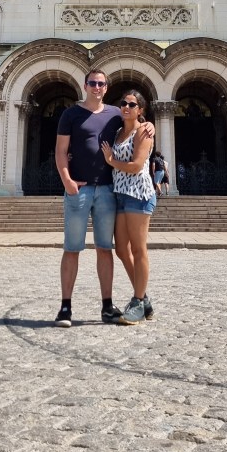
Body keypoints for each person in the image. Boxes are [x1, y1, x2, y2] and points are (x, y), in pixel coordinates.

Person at [53, 69, 124, 328]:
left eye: (101, 84)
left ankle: (107, 306)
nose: (97, 87)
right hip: (79, 191)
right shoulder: (71, 114)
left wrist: (148, 124)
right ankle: (65, 307)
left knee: (105, 249)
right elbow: (61, 151)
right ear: (85, 85)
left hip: (106, 189)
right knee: (72, 248)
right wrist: (68, 182)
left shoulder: (115, 113)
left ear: (106, 87)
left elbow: (136, 125)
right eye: (92, 83)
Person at [101, 89, 156, 325]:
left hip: (138, 194)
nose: (126, 107)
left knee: (138, 249)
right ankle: (144, 299)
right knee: (121, 250)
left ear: (140, 110)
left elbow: (135, 166)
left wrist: (111, 160)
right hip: (119, 195)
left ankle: (137, 301)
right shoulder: (117, 131)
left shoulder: (144, 131)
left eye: (132, 104)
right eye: (123, 103)